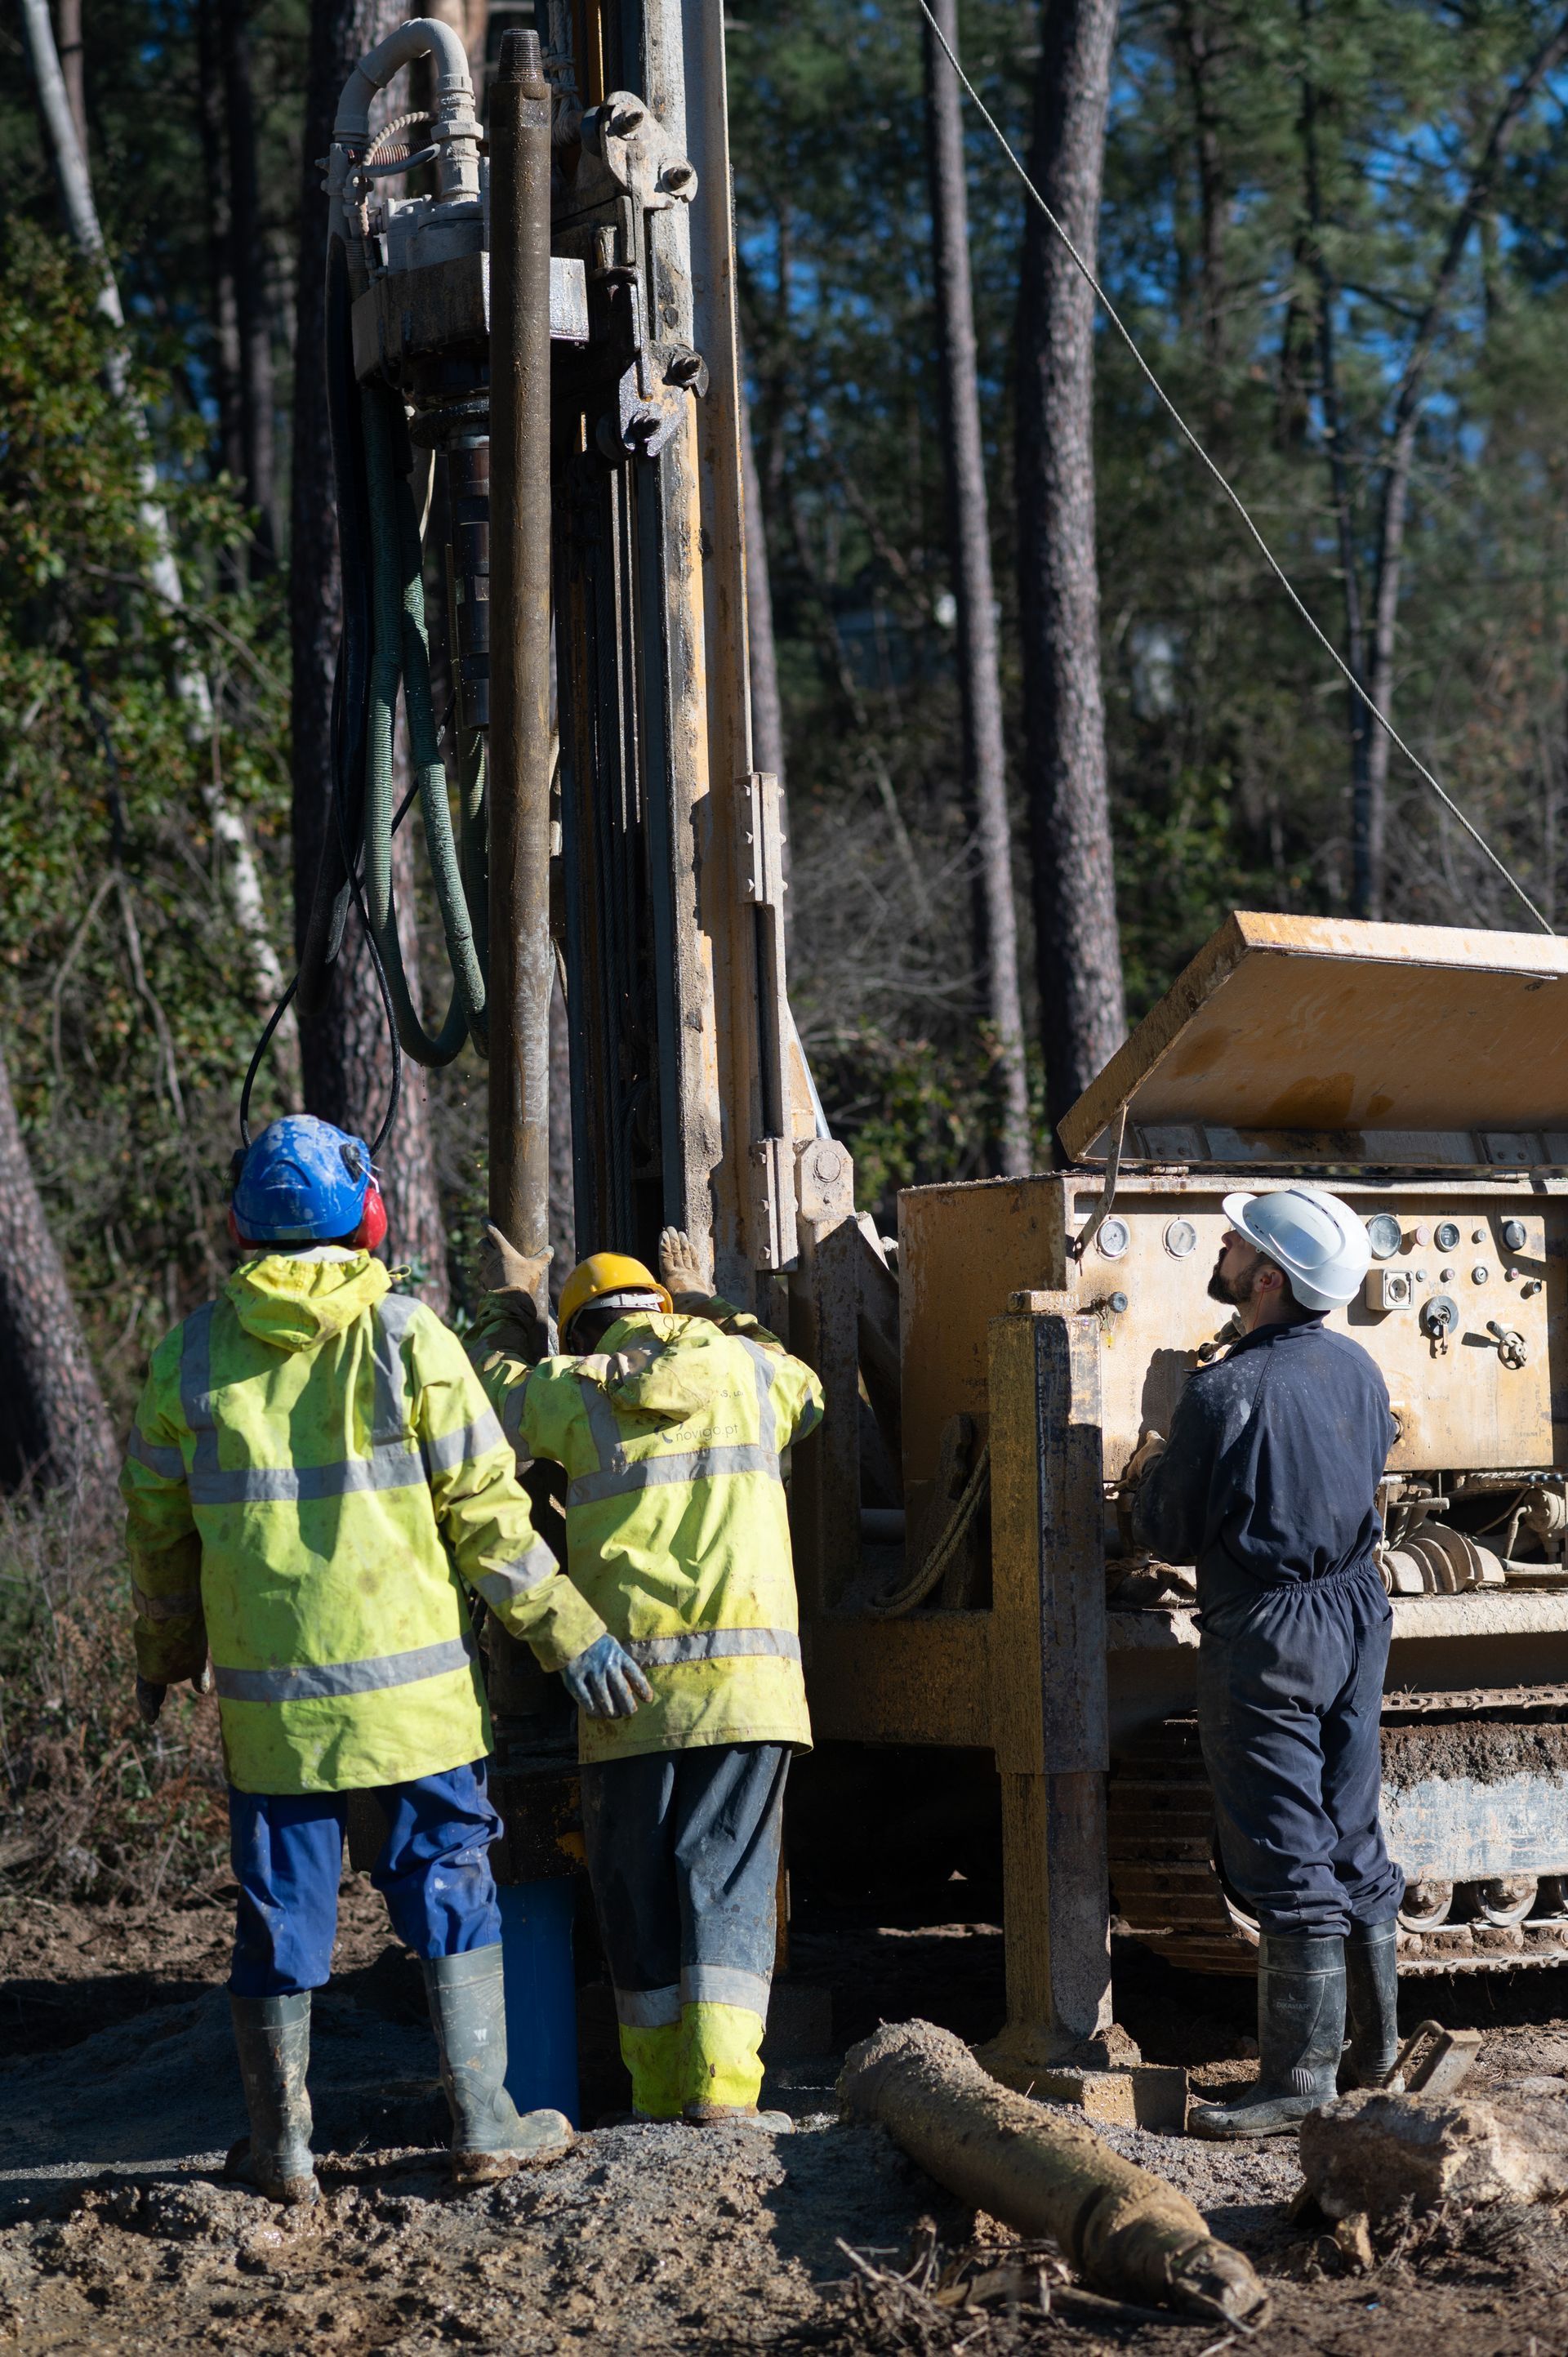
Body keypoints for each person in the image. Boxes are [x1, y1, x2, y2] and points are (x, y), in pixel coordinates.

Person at [121, 1116, 620, 2204]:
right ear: (366, 1214)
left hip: (273, 1722)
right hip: (415, 1714)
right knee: (448, 1883)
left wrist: (164, 1659)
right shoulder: (408, 1338)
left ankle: (285, 2151)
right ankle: (485, 2119)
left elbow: (158, 1542)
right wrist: (571, 1632)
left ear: (244, 1222)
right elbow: (490, 1520)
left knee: (280, 1912)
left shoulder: (191, 1355)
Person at [470, 1223, 823, 2130]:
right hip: (750, 1695)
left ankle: (658, 2102)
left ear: (582, 1332)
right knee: (728, 1889)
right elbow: (804, 1383)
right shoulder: (747, 1371)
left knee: (634, 1896)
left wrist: (508, 1309)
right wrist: (710, 1299)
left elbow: (481, 1406)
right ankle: (722, 2099)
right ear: (662, 1310)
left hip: (623, 1692)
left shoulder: (572, 1390)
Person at [1128, 1185, 1402, 2139]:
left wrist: (1149, 1469)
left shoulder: (1224, 1392)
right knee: (1349, 1826)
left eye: (1240, 1243)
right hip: (1358, 1609)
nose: (1227, 1247)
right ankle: (1374, 2055)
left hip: (1271, 1634)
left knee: (1283, 1842)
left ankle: (1298, 2080)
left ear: (1269, 1279)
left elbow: (1166, 1527)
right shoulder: (1361, 1370)